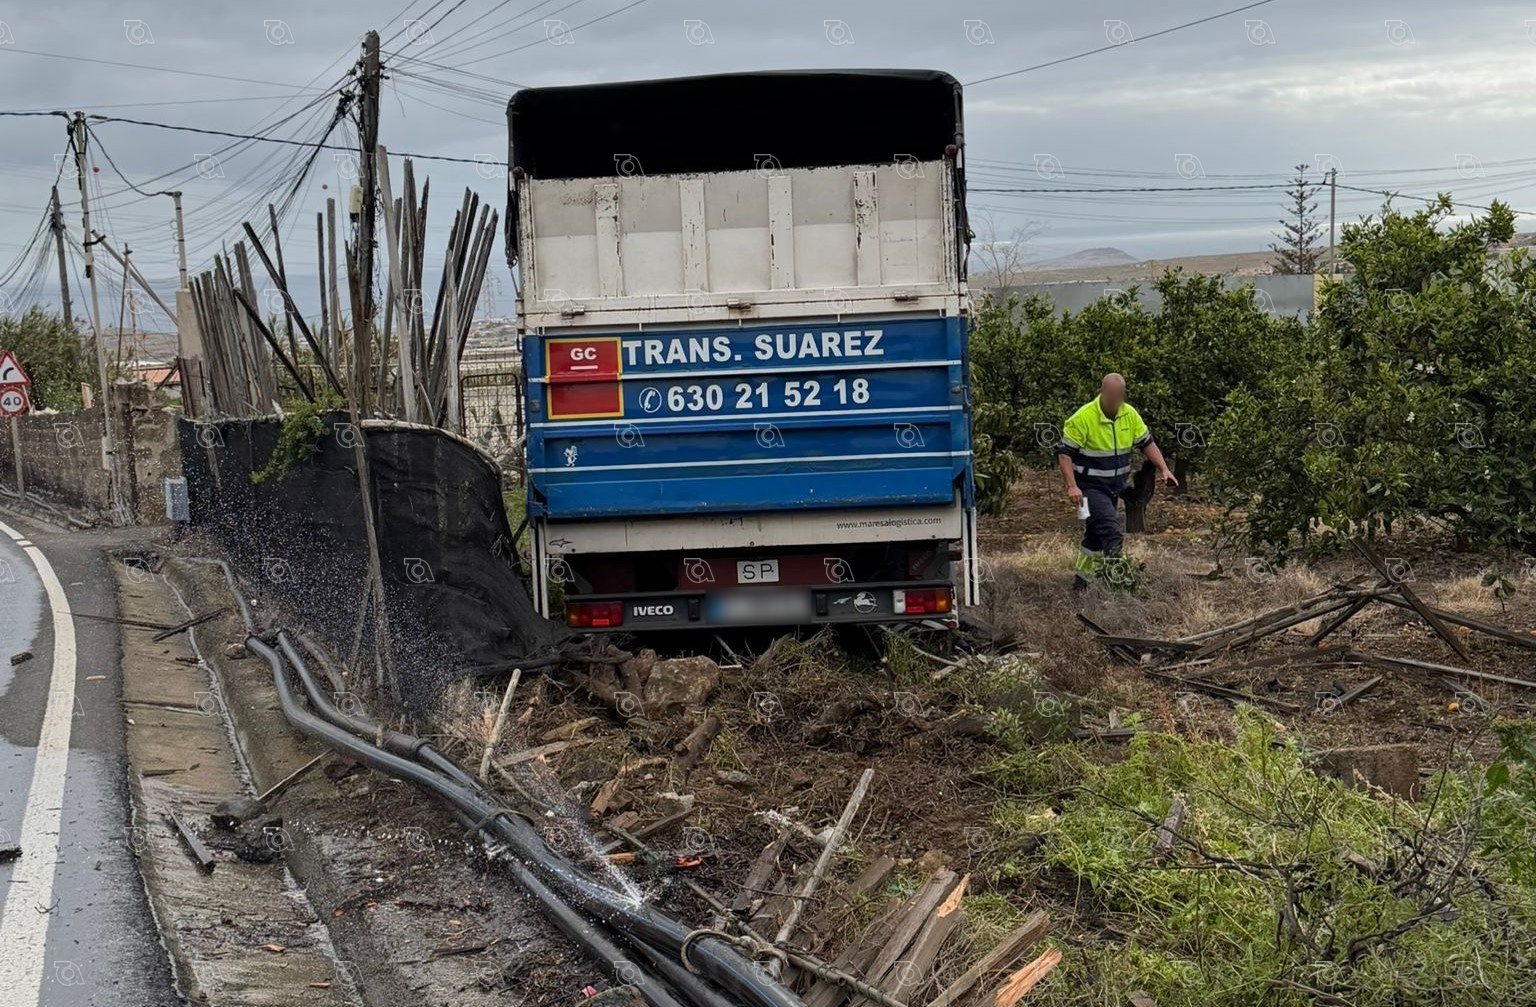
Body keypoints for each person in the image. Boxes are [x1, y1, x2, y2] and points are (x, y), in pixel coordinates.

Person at [1056, 374, 1177, 588]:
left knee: (1094, 536)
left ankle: (1081, 583)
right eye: (1109, 394)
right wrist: (1072, 486)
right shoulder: (1083, 417)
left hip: (1114, 488)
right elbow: (1065, 454)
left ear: (1122, 395)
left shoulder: (1129, 415)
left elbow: (1147, 443)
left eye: (1118, 395)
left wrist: (1164, 469)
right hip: (1089, 488)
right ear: (1101, 391)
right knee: (1111, 532)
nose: (1113, 398)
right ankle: (1121, 585)